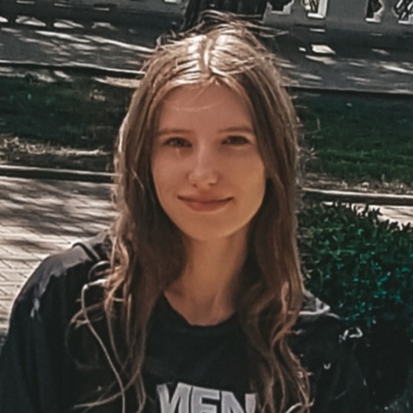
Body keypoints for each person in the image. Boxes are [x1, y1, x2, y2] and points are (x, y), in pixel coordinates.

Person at [0, 12, 370, 413]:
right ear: (145, 159)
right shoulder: (68, 303)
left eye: (234, 141)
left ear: (272, 160)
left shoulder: (314, 351)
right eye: (177, 142)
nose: (204, 173)